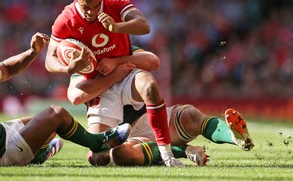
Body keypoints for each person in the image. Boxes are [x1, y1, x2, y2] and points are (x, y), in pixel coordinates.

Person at [0, 33, 131, 168]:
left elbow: (7, 68)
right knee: (55, 114)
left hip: (3, 132)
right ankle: (99, 142)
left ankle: (38, 156)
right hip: (0, 156)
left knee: (50, 129)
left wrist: (32, 52)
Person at [45, 0, 182, 167]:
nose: (91, 12)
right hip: (100, 86)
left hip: (126, 73)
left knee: (149, 85)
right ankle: (171, 149)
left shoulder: (115, 2)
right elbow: (49, 61)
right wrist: (69, 67)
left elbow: (144, 26)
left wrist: (116, 27)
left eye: (95, 6)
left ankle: (168, 154)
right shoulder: (65, 20)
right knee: (99, 158)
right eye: (85, 7)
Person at [68, 70, 255, 166]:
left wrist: (126, 60)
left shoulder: (121, 49)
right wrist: (115, 74)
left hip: (150, 116)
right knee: (117, 155)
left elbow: (151, 61)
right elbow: (75, 95)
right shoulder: (83, 68)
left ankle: (235, 138)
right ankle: (184, 150)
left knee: (190, 116)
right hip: (122, 134)